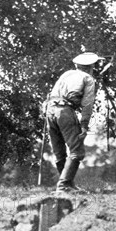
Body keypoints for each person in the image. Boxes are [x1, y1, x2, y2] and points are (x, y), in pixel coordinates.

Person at [46, 52, 102, 193]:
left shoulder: (67, 74)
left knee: (59, 152)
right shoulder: (88, 78)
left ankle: (68, 184)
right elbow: (87, 104)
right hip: (64, 111)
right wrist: (84, 125)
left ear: (77, 66)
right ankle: (64, 185)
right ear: (90, 67)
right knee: (77, 151)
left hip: (49, 110)